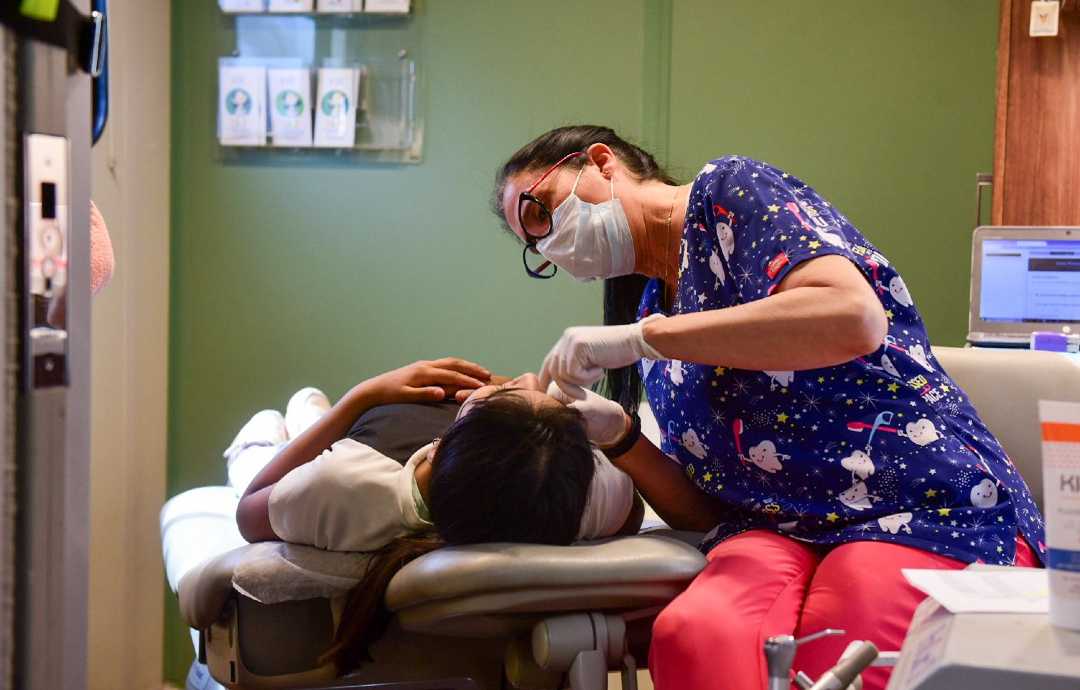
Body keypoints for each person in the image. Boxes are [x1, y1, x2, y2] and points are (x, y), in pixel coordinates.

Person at [493, 125, 1045, 690]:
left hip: (917, 505)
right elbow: (709, 510)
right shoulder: (654, 304)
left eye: (538, 211)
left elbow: (852, 317)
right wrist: (621, 438)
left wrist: (646, 339)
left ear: (601, 163)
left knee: (842, 644)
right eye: (533, 246)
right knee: (696, 636)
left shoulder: (726, 193)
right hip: (779, 531)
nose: (548, 243)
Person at [230, 358, 641, 671]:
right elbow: (631, 511)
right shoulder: (569, 493)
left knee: (281, 420)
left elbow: (249, 512)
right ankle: (311, 413)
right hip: (373, 448)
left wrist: (364, 396)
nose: (527, 380)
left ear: (442, 442)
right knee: (309, 408)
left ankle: (283, 425)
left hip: (312, 455)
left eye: (507, 392)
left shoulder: (342, 486)